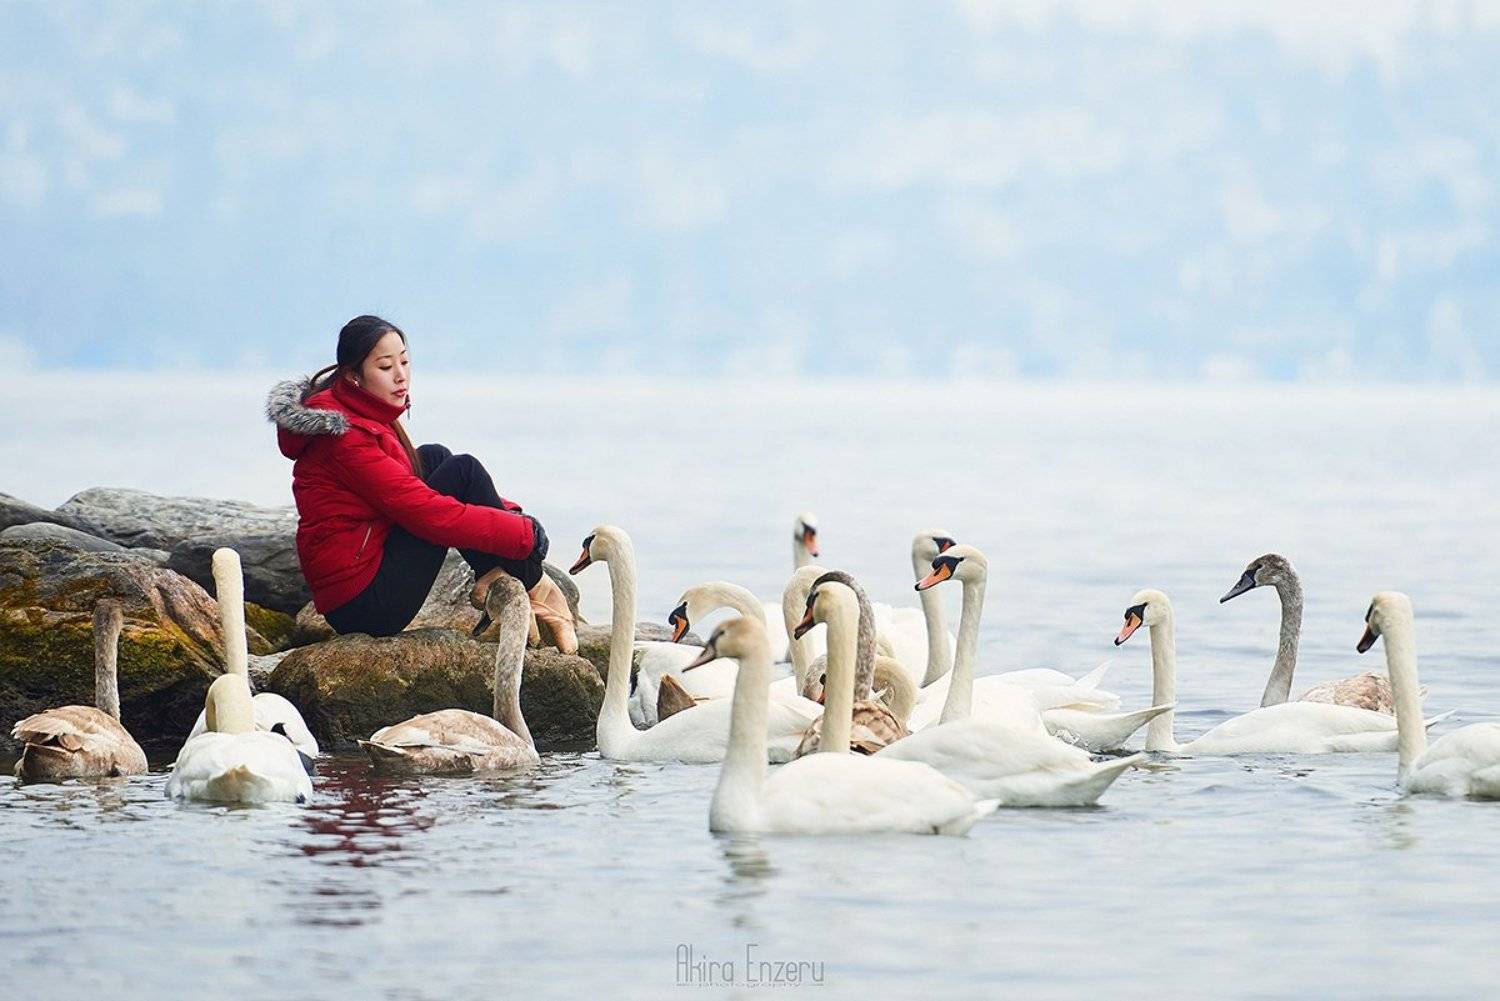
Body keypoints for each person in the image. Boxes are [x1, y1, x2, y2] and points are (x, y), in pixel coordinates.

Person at [266, 314, 576, 651]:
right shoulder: (344, 439)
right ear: (354, 375)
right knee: (463, 471)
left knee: (436, 458)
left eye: (404, 361)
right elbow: (426, 514)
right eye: (385, 367)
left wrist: (512, 518)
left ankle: (496, 573)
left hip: (363, 568)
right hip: (365, 603)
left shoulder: (355, 410)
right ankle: (541, 591)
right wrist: (524, 535)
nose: (401, 376)